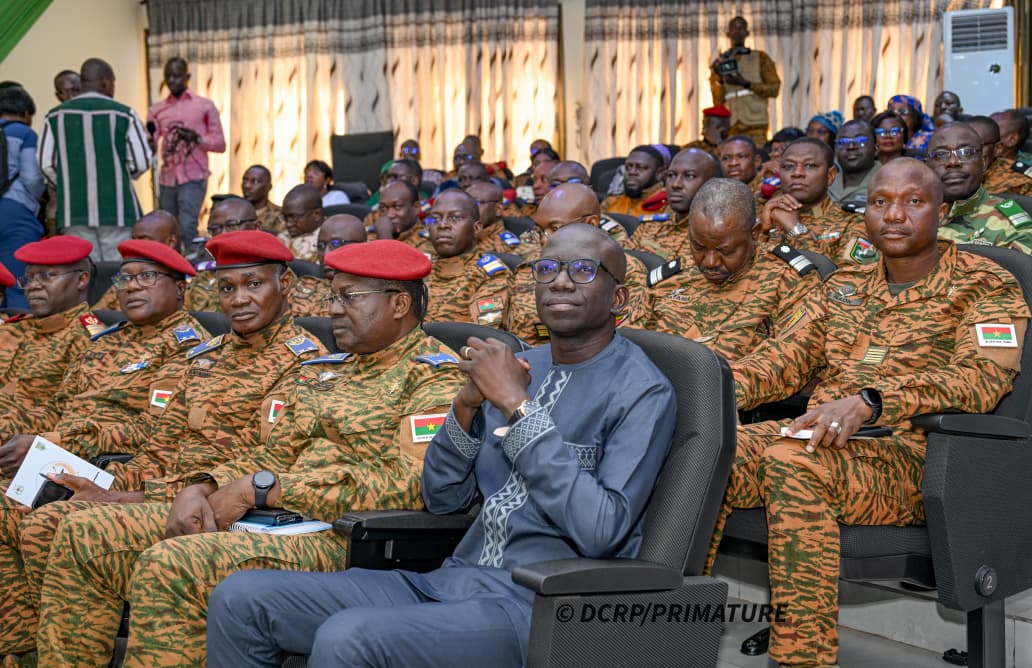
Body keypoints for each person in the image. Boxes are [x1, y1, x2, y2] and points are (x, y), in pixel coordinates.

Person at [206, 223, 677, 667]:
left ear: (618, 296)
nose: (559, 282)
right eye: (546, 269)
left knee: (348, 636)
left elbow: (602, 529)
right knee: (241, 599)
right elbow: (444, 498)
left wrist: (518, 406)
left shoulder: (640, 389)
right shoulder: (521, 364)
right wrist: (466, 409)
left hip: (543, 601)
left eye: (582, 270)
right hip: (455, 577)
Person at [32, 240, 468, 667]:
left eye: (350, 297)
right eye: (333, 296)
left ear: (399, 305)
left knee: (173, 563)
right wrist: (202, 486)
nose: (334, 309)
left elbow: (410, 483)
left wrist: (267, 491)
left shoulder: (435, 378)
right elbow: (271, 454)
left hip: (339, 538)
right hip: (266, 518)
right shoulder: (326, 373)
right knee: (83, 530)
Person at [707, 157, 1028, 667]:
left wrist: (874, 401)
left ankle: (799, 659)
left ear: (942, 211)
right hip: (822, 440)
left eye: (913, 202)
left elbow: (982, 379)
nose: (894, 215)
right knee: (705, 450)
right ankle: (664, 634)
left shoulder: (985, 284)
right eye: (880, 202)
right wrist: (701, 388)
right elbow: (783, 360)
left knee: (796, 464)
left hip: (918, 460)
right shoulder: (844, 287)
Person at [13, 231, 327, 664]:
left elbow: (265, 463)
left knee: (76, 527)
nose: (238, 299)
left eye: (253, 284)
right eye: (227, 288)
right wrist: (102, 484)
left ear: (285, 286)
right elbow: (159, 446)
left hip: (215, 507)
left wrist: (122, 498)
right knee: (39, 515)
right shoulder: (205, 356)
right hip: (159, 493)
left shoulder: (304, 362)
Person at [0, 239, 209, 660]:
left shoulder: (188, 348)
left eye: (147, 277)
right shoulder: (107, 342)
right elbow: (61, 407)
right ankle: (21, 645)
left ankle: (54, 642)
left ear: (181, 289)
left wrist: (56, 443)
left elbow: (151, 428)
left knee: (36, 517)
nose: (132, 287)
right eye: (126, 278)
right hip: (65, 454)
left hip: (125, 467)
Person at [644, 178, 820, 360]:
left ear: (755, 233)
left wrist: (705, 383)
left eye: (725, 250)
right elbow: (629, 339)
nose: (710, 262)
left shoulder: (788, 280)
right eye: (699, 247)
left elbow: (788, 359)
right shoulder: (671, 278)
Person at [38, 58, 153, 261]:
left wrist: (68, 184)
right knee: (118, 272)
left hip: (74, 211)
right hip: (117, 210)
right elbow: (142, 162)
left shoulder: (54, 117)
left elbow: (46, 164)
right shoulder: (124, 114)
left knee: (85, 272)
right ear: (106, 81)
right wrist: (123, 174)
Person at [505, 184, 650, 344]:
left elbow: (618, 342)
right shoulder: (533, 265)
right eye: (540, 230)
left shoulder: (622, 271)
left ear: (591, 224)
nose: (543, 240)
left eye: (555, 228)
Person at [0, 237, 99, 420]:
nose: (33, 286)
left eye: (47, 276)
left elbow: (68, 415)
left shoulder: (91, 340)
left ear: (82, 280)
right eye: (29, 279)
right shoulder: (10, 330)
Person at [148, 57, 226, 243]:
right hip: (167, 178)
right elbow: (150, 139)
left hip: (194, 176)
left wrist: (197, 139)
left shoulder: (204, 106)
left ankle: (191, 270)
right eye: (168, 76)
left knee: (187, 226)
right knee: (167, 228)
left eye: (177, 75)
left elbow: (220, 144)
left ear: (187, 76)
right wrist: (149, 144)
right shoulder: (156, 109)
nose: (172, 81)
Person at [761, 138, 872, 265]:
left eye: (809, 166)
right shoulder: (769, 216)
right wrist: (765, 232)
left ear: (830, 175)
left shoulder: (855, 222)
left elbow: (848, 281)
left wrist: (796, 230)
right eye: (788, 166)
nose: (797, 173)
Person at [928, 123, 1032, 253]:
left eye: (965, 152)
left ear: (983, 163)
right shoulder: (908, 215)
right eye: (941, 154)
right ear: (927, 165)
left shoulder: (1010, 225)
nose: (953, 162)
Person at [423, 189, 510, 326]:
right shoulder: (419, 269)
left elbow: (483, 332)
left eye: (455, 218)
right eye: (435, 219)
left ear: (476, 228)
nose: (442, 225)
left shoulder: (489, 274)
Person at [626, 147, 720, 259]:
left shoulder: (716, 235)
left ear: (711, 184)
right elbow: (619, 265)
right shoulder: (650, 225)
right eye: (671, 175)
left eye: (689, 176)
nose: (676, 184)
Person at [0, 85, 45, 309]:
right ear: (27, 114)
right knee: (19, 280)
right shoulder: (25, 133)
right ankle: (18, 336)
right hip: (15, 212)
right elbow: (32, 177)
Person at [91, 210, 183, 310]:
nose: (135, 246)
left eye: (143, 239)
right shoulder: (127, 280)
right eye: (133, 239)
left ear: (170, 242)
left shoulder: (192, 284)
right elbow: (96, 316)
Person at [709, 16, 781, 145]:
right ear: (728, 33)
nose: (738, 31)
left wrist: (745, 83)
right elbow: (717, 101)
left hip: (755, 124)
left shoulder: (760, 58)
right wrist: (719, 80)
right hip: (730, 125)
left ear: (747, 33)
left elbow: (774, 89)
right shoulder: (721, 62)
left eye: (741, 28)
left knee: (757, 158)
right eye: (734, 28)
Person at [185, 197, 263, 311]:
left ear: (256, 227)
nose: (222, 234)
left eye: (231, 226)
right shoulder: (204, 275)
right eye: (215, 229)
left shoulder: (271, 273)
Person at [968, 115, 1032, 197]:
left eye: (977, 145)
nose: (968, 152)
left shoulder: (1021, 180)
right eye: (962, 148)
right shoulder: (951, 174)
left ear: (997, 148)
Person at [828, 119, 880, 207]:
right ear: (835, 150)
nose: (851, 147)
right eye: (843, 142)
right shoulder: (826, 182)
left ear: (876, 149)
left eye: (861, 141)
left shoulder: (888, 183)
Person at [601, 145, 665, 217]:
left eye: (640, 167)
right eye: (628, 167)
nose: (632, 172)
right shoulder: (611, 202)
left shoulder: (667, 204)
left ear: (659, 173)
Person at [369, 180, 432, 254]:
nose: (389, 215)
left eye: (397, 207)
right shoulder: (370, 236)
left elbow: (392, 264)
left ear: (416, 208)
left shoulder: (429, 241)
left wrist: (385, 236)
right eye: (383, 208)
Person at [466, 180, 522, 256]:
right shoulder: (458, 240)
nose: (468, 209)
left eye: (476, 203)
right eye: (465, 204)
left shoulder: (507, 247)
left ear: (498, 209)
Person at [277, 184, 324, 263]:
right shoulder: (282, 236)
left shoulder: (328, 240)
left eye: (294, 217)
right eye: (285, 217)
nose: (288, 224)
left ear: (316, 215)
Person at [241, 164, 282, 233]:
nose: (247, 186)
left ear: (269, 187)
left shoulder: (280, 215)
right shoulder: (234, 212)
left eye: (255, 181)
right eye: (245, 181)